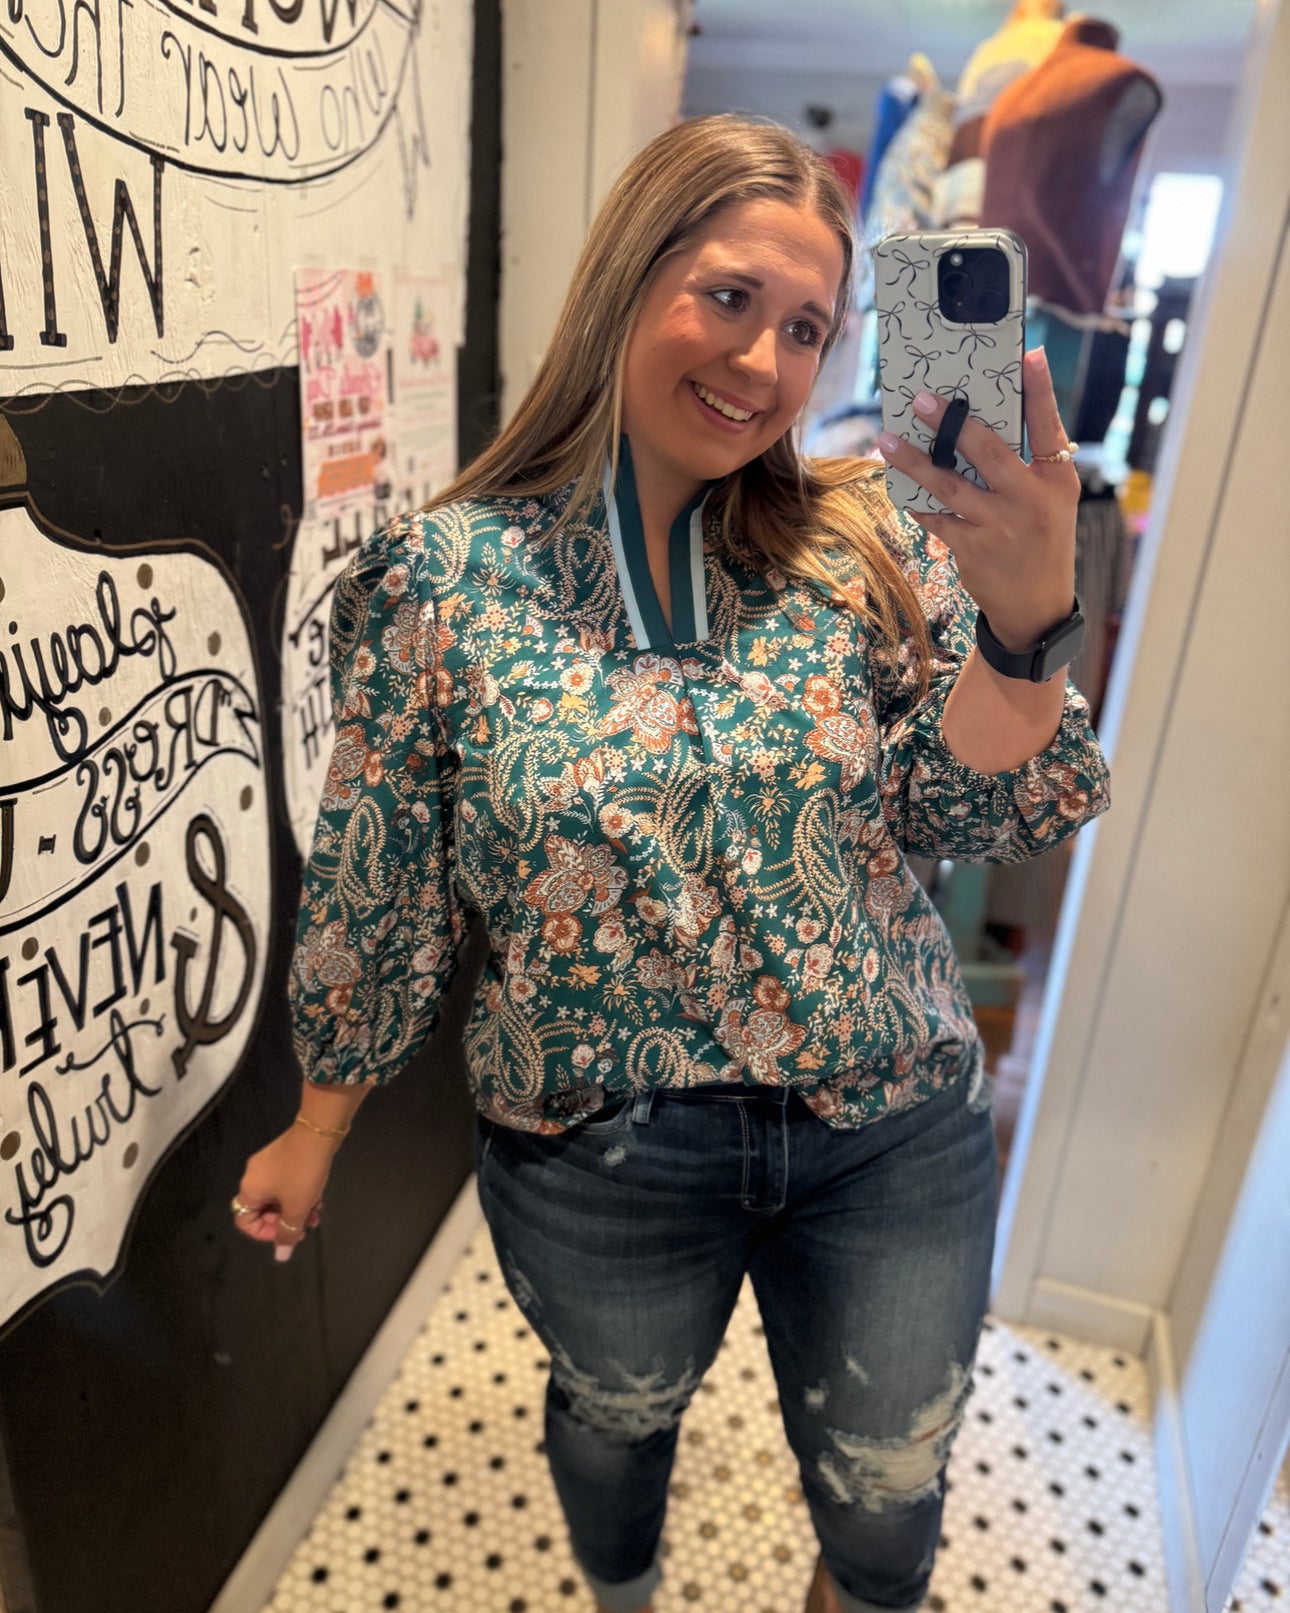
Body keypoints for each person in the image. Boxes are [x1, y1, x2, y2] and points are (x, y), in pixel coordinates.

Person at [233, 115, 1109, 1613]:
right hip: (597, 1148)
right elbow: (382, 869)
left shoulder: (865, 541)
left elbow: (958, 819)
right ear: (626, 280)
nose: (764, 364)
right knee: (616, 1419)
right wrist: (320, 1122)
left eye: (808, 330)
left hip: (882, 1123)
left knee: (892, 1488)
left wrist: (1023, 633)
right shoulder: (445, 581)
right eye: (725, 298)